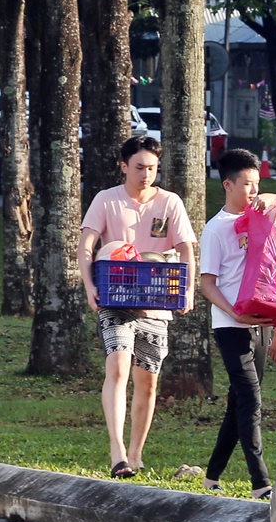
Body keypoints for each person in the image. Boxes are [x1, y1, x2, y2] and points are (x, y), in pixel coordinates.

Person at [195, 149, 276, 499]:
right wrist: (233, 313)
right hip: (230, 324)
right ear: (228, 184)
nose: (253, 190)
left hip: (262, 322)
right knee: (251, 398)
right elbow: (207, 283)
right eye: (247, 184)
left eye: (257, 183)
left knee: (239, 401)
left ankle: (212, 475)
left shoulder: (266, 215)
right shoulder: (216, 229)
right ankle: (261, 482)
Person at [78, 135, 198, 479]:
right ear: (124, 166)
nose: (146, 174)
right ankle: (117, 453)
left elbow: (186, 247)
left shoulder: (169, 202)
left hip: (157, 302)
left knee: (148, 381)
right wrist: (89, 285)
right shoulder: (106, 200)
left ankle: (136, 453)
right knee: (117, 366)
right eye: (139, 167)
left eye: (152, 168)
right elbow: (86, 245)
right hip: (115, 299)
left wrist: (187, 289)